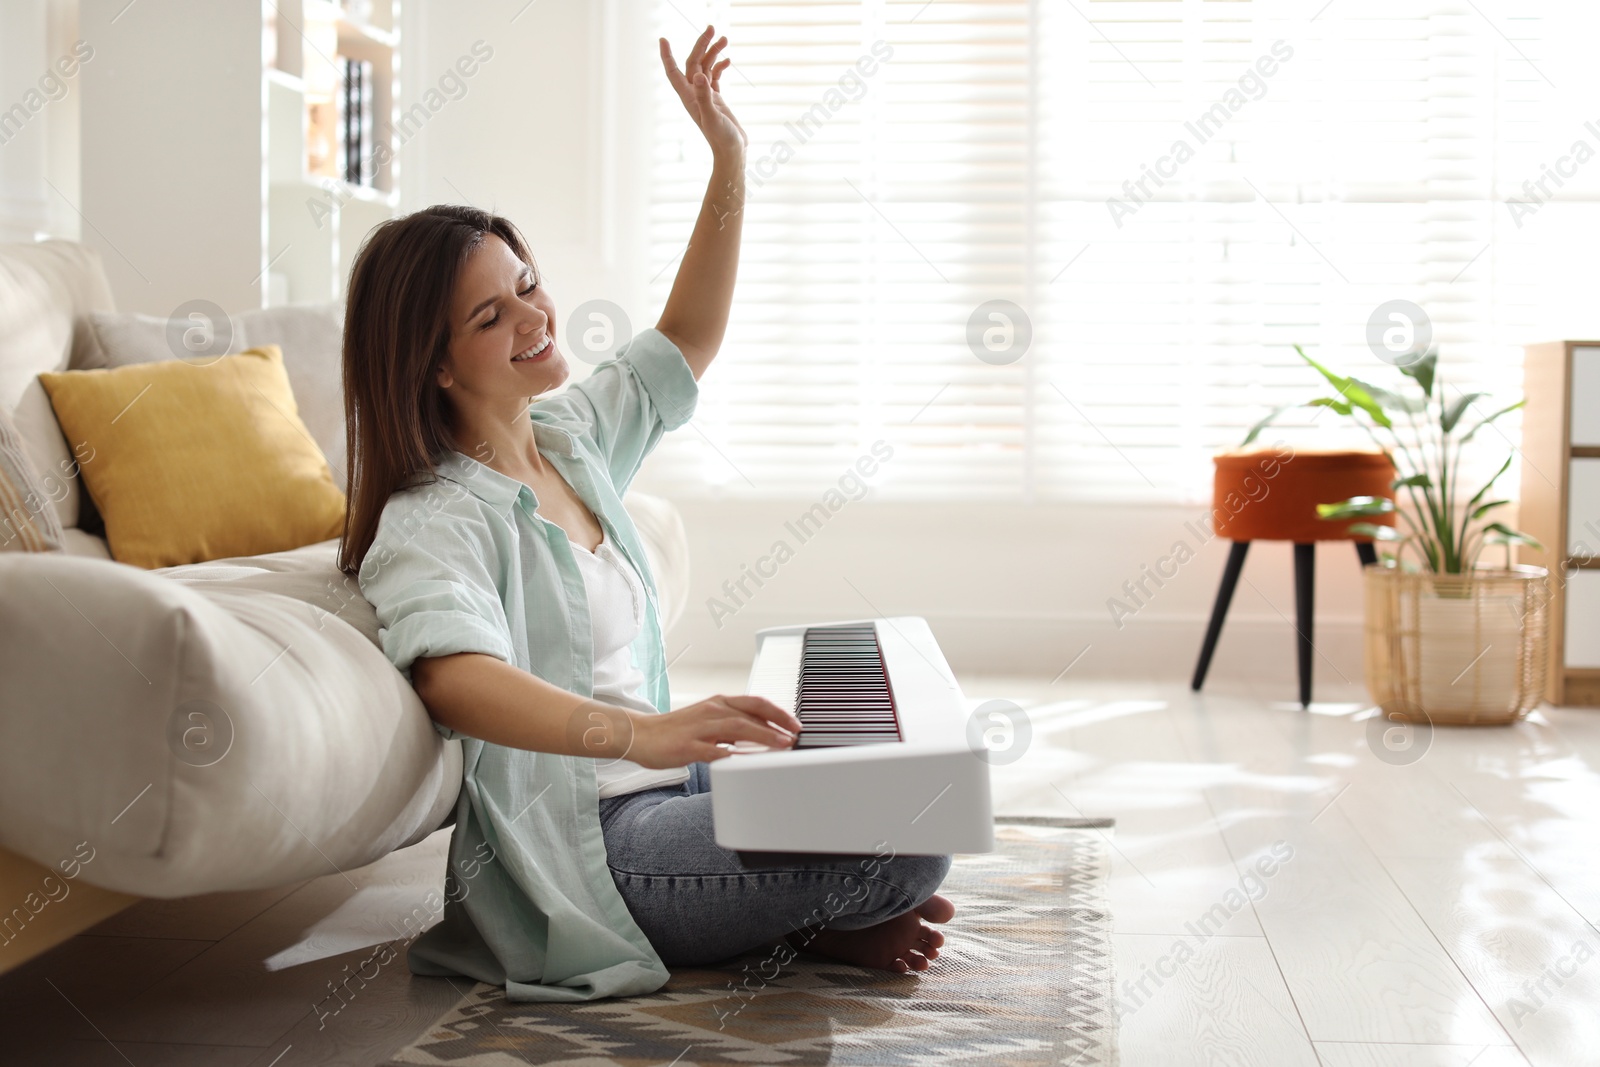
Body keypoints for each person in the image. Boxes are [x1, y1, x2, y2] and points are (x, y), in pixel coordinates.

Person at [338, 27, 954, 1003]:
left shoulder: (571, 435)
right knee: (901, 848)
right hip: (597, 847)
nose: (534, 319)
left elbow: (688, 335)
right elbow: (456, 677)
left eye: (526, 285)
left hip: (674, 785)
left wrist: (729, 153)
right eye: (490, 317)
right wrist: (640, 737)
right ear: (436, 364)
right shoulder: (433, 518)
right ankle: (812, 925)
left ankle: (809, 925)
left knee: (907, 784)